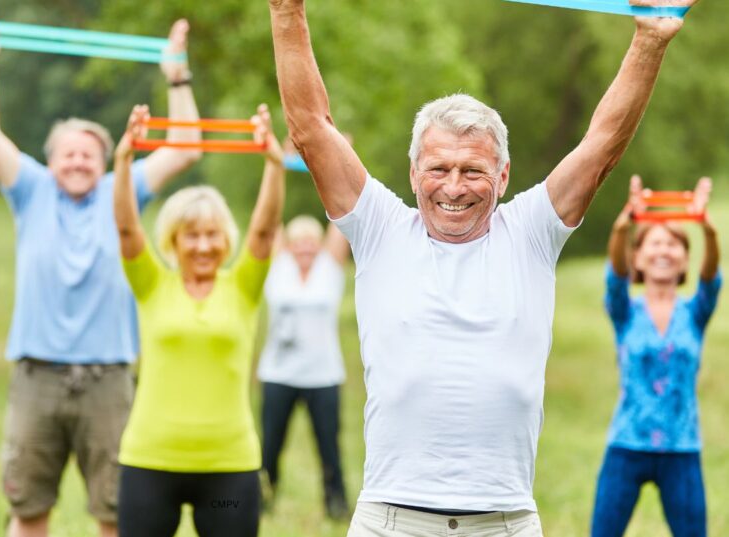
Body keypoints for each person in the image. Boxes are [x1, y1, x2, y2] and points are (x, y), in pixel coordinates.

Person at [268, 0, 699, 534]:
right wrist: (286, 10)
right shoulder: (380, 227)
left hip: (507, 520)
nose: (453, 187)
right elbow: (311, 129)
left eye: (472, 170)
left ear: (503, 175)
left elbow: (603, 146)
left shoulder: (531, 232)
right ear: (412, 172)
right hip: (391, 518)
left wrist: (650, 40)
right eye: (438, 168)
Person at [0, 4, 202, 536]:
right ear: (50, 162)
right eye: (68, 155)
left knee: (115, 516)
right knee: (28, 513)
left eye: (89, 155)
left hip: (108, 380)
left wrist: (177, 75)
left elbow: (185, 147)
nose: (77, 163)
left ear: (107, 161)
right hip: (36, 377)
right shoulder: (30, 190)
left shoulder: (124, 192)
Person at [112, 103, 285, 537]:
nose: (204, 245)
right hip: (150, 462)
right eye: (192, 234)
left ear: (226, 238)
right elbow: (127, 231)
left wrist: (274, 164)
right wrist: (123, 160)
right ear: (173, 239)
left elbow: (264, 231)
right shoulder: (152, 283)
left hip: (228, 470)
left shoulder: (243, 285)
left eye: (213, 234)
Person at [591, 175, 721, 537]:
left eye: (674, 245)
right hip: (626, 445)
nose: (664, 250)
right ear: (639, 259)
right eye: (655, 243)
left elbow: (712, 276)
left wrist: (706, 230)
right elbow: (615, 274)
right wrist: (626, 222)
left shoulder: (695, 312)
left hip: (682, 447)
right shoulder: (624, 310)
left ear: (684, 262)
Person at [257, 216, 350, 519]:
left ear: (320, 245)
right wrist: (276, 168)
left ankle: (336, 508)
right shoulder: (278, 267)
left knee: (329, 448)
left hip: (322, 376)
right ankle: (261, 504)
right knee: (270, 446)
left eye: (311, 242)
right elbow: (269, 221)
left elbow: (342, 214)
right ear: (288, 246)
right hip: (278, 375)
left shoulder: (330, 268)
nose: (305, 248)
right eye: (298, 242)